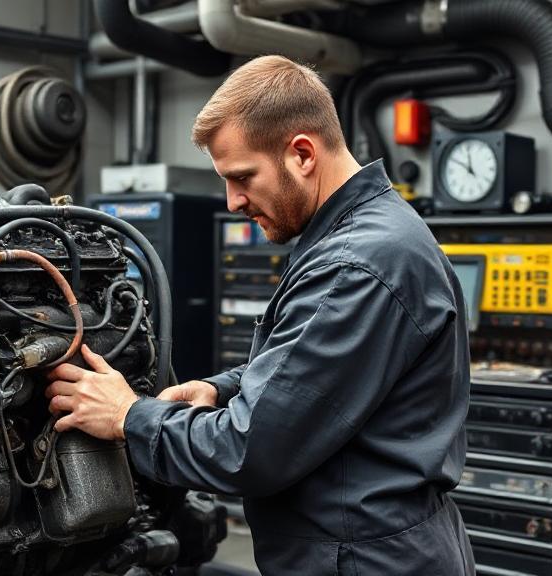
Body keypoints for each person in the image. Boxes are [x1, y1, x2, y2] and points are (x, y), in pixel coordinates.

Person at [45, 55, 475, 575]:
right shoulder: (365, 233)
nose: (232, 202)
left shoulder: (356, 265)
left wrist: (127, 417)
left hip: (365, 559)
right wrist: (222, 390)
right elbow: (316, 375)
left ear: (302, 154)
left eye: (243, 176)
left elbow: (248, 453)